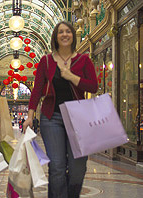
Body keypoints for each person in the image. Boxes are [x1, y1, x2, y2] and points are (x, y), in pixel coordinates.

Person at [23, 21, 98, 198]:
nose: (64, 35)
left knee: (77, 167)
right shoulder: (46, 61)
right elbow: (37, 90)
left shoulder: (84, 60)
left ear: (73, 35)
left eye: (68, 32)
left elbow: (93, 86)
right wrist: (30, 116)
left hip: (78, 119)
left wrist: (71, 76)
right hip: (52, 118)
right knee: (56, 166)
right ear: (55, 37)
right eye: (60, 32)